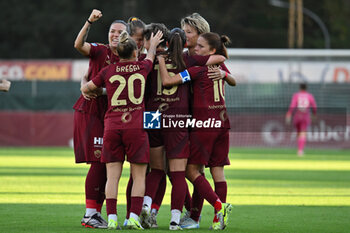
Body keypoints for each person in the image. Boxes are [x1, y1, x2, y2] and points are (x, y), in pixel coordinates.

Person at [140, 26, 226, 230]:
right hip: (177, 116)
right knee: (179, 173)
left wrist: (152, 51)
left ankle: (146, 206)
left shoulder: (148, 60)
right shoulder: (188, 61)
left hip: (151, 115)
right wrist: (223, 73)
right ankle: (175, 219)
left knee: (155, 169)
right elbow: (220, 58)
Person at [81, 30, 163, 230]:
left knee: (112, 176)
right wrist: (152, 45)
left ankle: (111, 219)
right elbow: (151, 56)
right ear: (136, 53)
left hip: (112, 126)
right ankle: (133, 216)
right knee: (139, 175)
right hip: (135, 126)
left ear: (117, 54)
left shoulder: (108, 71)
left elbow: (87, 89)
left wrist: (85, 82)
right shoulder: (143, 66)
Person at [157, 32, 236, 230]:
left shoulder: (197, 70)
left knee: (190, 170)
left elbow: (167, 82)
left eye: (201, 47)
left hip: (205, 124)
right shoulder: (219, 66)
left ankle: (219, 206)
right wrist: (225, 75)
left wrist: (161, 61)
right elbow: (233, 80)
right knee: (217, 171)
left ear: (211, 51)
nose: (196, 49)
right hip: (222, 122)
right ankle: (219, 221)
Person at [73, 9, 127, 229]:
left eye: (120, 32)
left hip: (112, 115)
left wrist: (90, 84)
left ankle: (95, 214)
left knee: (108, 164)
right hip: (91, 111)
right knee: (99, 162)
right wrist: (89, 22)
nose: (115, 35)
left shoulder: (130, 56)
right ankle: (90, 214)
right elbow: (78, 45)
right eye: (112, 31)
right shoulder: (99, 50)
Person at [286, 83, 317, 156]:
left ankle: (299, 148)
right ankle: (300, 150)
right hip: (305, 116)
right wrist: (314, 114)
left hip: (297, 116)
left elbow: (292, 105)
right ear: (306, 88)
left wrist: (289, 113)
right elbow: (314, 106)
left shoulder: (296, 95)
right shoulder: (310, 96)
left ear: (299, 88)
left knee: (298, 133)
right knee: (303, 133)